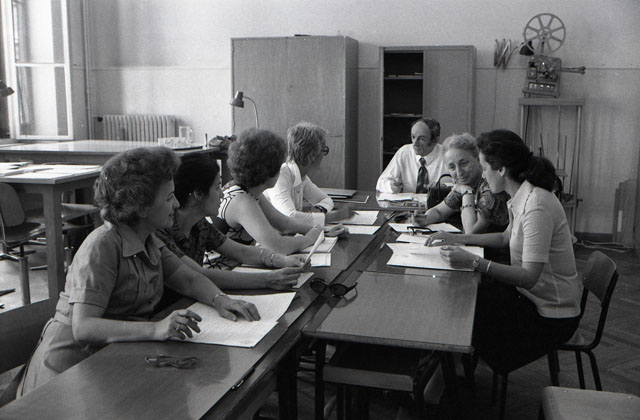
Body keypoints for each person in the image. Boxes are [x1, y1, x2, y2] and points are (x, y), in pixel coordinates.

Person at [17, 147, 259, 398]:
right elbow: (84, 327)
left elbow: (188, 279)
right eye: (169, 198)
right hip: (66, 372)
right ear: (141, 207)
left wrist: (221, 300)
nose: (176, 204)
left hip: (112, 358)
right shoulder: (102, 245)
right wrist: (156, 329)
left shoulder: (148, 239)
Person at [426, 129, 582, 373]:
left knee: (461, 308)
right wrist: (458, 238)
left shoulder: (536, 206)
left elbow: (528, 277)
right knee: (461, 300)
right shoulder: (522, 195)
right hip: (530, 298)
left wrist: (474, 262)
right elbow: (504, 237)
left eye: (484, 167)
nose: (483, 175)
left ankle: (442, 378)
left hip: (550, 315)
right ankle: (445, 376)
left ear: (500, 169)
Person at [157, 154, 310, 290]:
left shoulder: (200, 224)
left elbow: (240, 251)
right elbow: (199, 276)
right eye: (217, 187)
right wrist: (268, 279)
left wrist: (282, 260)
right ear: (198, 193)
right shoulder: (164, 230)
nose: (222, 194)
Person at [218, 128, 330, 255]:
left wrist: (321, 230)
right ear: (268, 169)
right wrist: (309, 239)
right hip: (224, 265)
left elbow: (284, 224)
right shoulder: (242, 201)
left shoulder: (250, 192)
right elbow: (279, 246)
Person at [412, 132, 509, 234]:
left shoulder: (490, 186)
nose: (459, 172)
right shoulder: (465, 183)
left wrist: (467, 192)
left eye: (463, 164)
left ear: (478, 159)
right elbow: (439, 211)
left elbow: (470, 232)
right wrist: (424, 219)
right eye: (452, 167)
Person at [264, 121, 354, 225]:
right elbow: (290, 217)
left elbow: (326, 199)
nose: (324, 155)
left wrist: (318, 209)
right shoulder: (280, 177)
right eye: (324, 150)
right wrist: (336, 216)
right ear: (312, 154)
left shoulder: (301, 176)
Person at [376, 118, 448, 193]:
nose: (415, 144)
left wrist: (443, 188)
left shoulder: (446, 155)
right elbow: (381, 182)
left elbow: (455, 185)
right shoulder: (404, 152)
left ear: (435, 141)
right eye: (413, 137)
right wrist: (391, 186)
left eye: (421, 139)